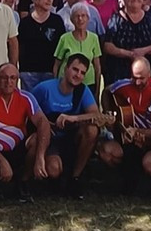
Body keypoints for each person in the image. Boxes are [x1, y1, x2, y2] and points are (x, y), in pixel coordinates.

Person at [0, 62, 51, 200]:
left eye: (12, 78)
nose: (8, 82)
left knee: (36, 139)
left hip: (19, 148)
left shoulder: (26, 98)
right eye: (4, 77)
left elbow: (43, 123)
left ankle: (23, 182)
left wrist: (40, 157)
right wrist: (3, 162)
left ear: (17, 80)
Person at [33, 54, 101, 197]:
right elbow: (28, 111)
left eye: (82, 73)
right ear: (65, 68)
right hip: (49, 139)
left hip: (71, 138)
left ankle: (75, 178)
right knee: (53, 170)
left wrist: (73, 118)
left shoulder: (83, 90)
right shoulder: (44, 89)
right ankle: (51, 178)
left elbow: (96, 115)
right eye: (75, 70)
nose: (78, 75)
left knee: (92, 130)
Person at [100, 57, 151, 193]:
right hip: (128, 141)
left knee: (150, 165)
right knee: (106, 151)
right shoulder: (123, 85)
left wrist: (137, 131)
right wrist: (108, 112)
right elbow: (106, 92)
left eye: (142, 78)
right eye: (134, 78)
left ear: (150, 74)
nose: (137, 82)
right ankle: (123, 178)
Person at [102, 0, 151, 84]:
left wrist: (143, 51)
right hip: (120, 72)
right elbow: (107, 46)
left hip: (146, 72)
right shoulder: (116, 18)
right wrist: (128, 54)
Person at [17, 0, 66, 91]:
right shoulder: (25, 23)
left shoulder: (57, 21)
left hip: (50, 71)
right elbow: (19, 46)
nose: (50, 0)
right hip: (28, 72)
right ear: (35, 0)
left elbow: (62, 46)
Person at [52, 2, 103, 92]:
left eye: (83, 16)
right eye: (77, 16)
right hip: (67, 82)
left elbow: (97, 67)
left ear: (88, 18)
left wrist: (97, 90)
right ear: (71, 20)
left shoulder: (94, 38)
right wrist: (55, 85)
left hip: (88, 83)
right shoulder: (65, 38)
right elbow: (56, 65)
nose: (80, 19)